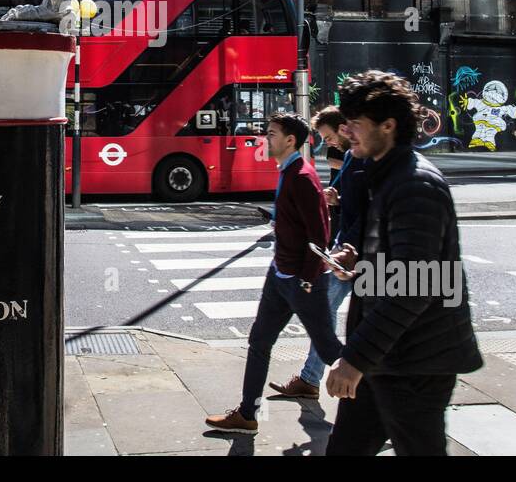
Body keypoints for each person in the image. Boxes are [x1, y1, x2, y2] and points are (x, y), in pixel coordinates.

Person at [322, 70, 483, 456]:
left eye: (356, 124)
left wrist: (355, 358)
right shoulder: (387, 175)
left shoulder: (415, 184)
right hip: (389, 355)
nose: (347, 133)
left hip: (416, 362)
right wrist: (358, 261)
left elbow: (415, 286)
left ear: (388, 126)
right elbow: (400, 264)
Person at [204, 112, 341, 435]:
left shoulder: (302, 177)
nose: (266, 139)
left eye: (272, 134)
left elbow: (320, 235)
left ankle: (383, 398)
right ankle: (248, 414)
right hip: (279, 275)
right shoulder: (287, 172)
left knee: (329, 347)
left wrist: (307, 278)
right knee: (259, 341)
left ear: (290, 140)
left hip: (300, 279)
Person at [269, 105, 364, 399]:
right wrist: (335, 198)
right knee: (326, 314)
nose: (330, 142)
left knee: (325, 314)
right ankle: (315, 378)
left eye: (331, 136)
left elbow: (368, 207)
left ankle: (328, 377)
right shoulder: (349, 156)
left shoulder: (362, 160)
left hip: (355, 252)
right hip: (345, 247)